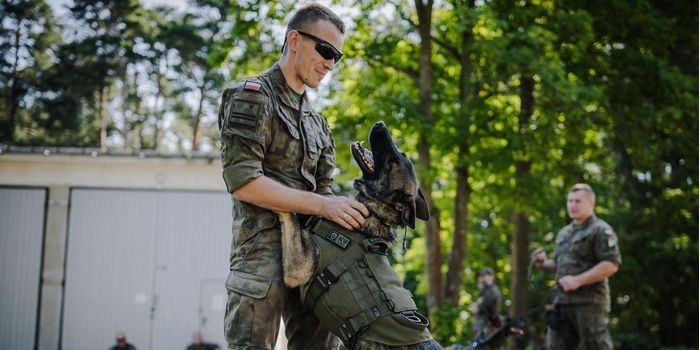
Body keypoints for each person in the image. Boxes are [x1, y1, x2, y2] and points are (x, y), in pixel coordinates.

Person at [217, 3, 369, 349]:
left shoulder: (318, 124)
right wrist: (323, 206)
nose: (330, 63)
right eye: (326, 50)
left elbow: (327, 193)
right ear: (295, 39)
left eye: (337, 57)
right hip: (260, 259)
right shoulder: (252, 97)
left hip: (311, 262)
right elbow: (243, 181)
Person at [532, 183, 621, 350]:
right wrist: (544, 264)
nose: (572, 205)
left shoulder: (600, 229)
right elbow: (560, 266)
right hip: (562, 302)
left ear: (591, 203)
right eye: (570, 201)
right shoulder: (564, 233)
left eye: (578, 201)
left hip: (589, 302)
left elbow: (611, 264)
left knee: (596, 346)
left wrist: (578, 281)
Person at [470, 267, 502, 337]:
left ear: (491, 277)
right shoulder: (484, 291)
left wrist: (477, 308)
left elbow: (485, 307)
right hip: (481, 324)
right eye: (481, 276)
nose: (481, 278)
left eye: (484, 276)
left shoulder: (492, 291)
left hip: (488, 325)